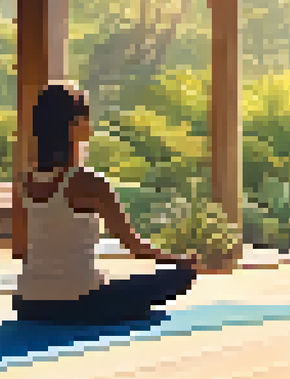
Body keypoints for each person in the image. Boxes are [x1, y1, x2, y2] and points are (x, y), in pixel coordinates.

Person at [12, 82, 199, 325]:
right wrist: (180, 259)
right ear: (73, 126)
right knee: (180, 276)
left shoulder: (24, 182)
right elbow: (134, 246)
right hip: (81, 304)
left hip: (28, 304)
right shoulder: (90, 182)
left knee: (112, 285)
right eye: (86, 117)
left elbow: (22, 249)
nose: (90, 125)